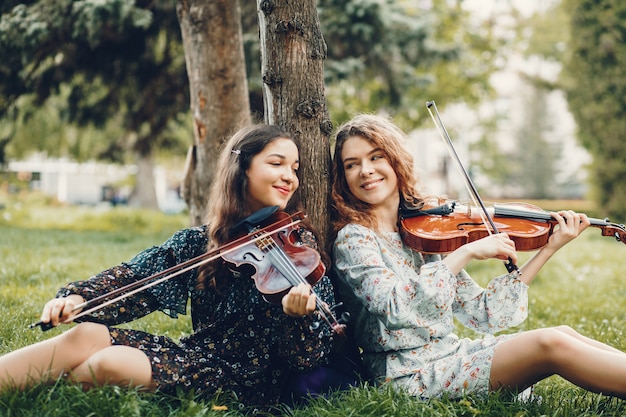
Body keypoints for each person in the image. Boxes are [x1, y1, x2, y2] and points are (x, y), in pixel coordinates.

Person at [0, 124, 344, 409]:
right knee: (87, 333)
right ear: (243, 168)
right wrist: (77, 299)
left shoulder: (300, 249)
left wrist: (297, 317)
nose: (290, 177)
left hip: (245, 383)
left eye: (295, 168)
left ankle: (33, 400)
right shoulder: (201, 241)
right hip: (196, 356)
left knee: (109, 362)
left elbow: (306, 359)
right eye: (277, 164)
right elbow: (138, 277)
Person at [329, 113, 626, 400]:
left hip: (449, 355)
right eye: (351, 165)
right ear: (343, 178)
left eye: (375, 156)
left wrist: (548, 248)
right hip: (407, 375)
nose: (365, 170)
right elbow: (393, 307)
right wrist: (466, 251)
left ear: (395, 160)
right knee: (549, 344)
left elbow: (483, 312)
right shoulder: (355, 240)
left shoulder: (422, 232)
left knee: (561, 332)